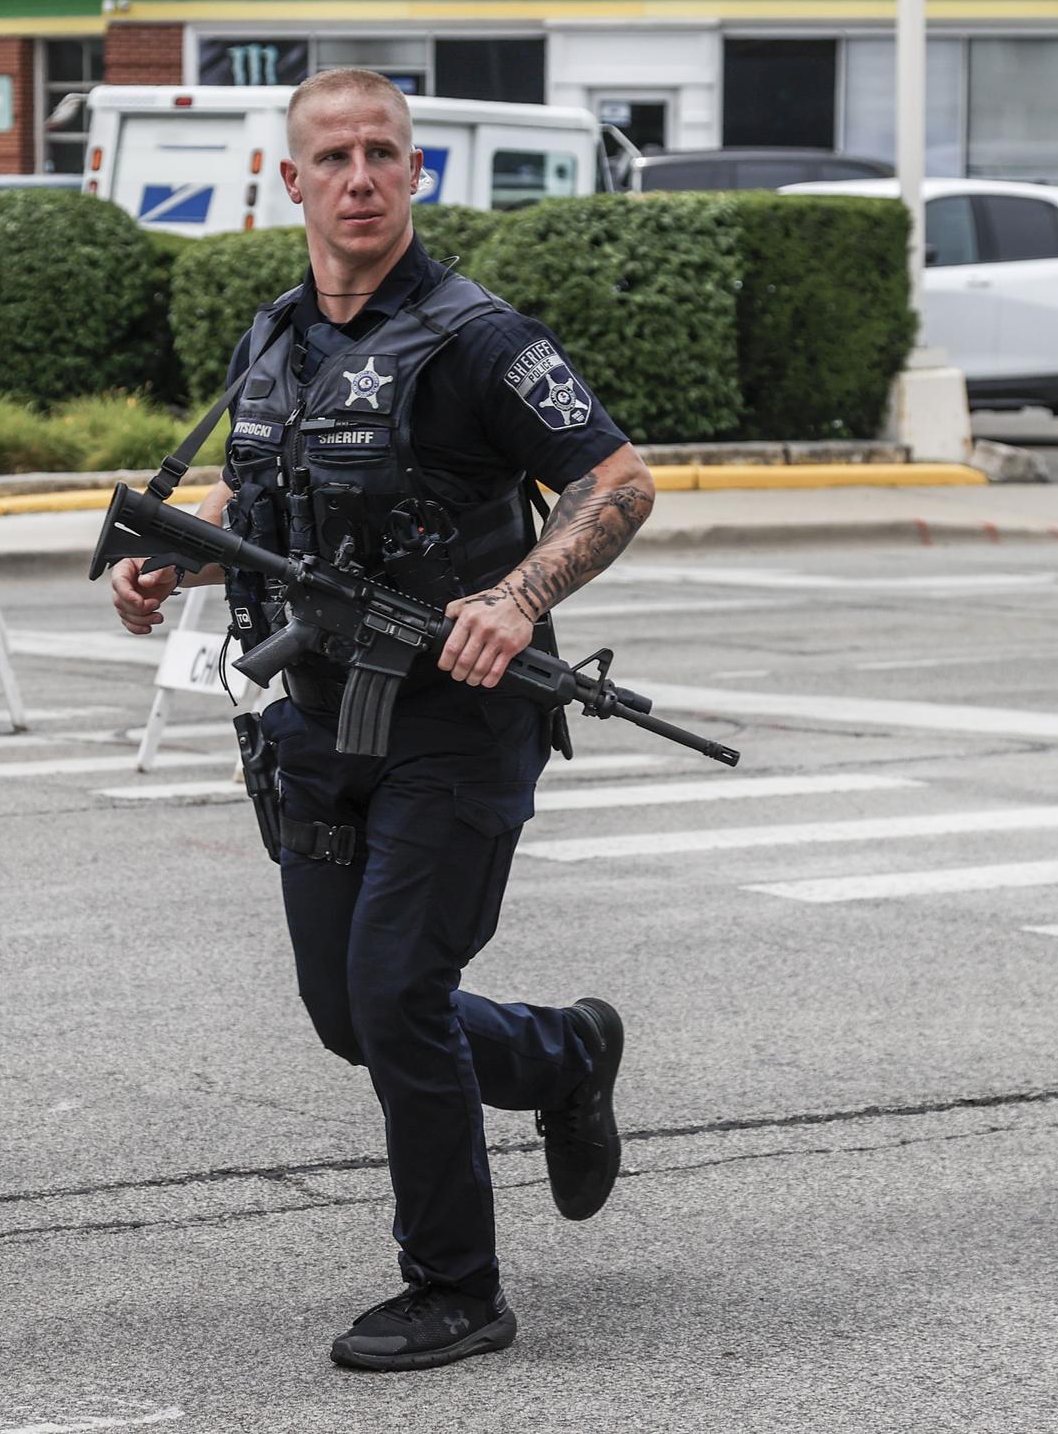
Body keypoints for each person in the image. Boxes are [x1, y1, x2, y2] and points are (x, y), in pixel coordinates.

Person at [108, 68, 656, 1371]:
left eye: (383, 154)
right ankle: (565, 1056)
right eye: (333, 158)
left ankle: (457, 1286)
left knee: (399, 988)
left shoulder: (477, 339)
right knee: (350, 1014)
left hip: (458, 724)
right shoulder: (271, 341)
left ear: (418, 174)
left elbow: (619, 482)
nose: (360, 177)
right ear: (289, 182)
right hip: (317, 725)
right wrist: (176, 564)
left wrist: (519, 594)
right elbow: (270, 506)